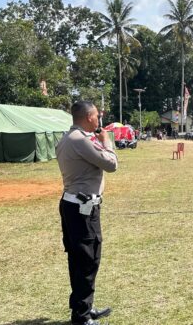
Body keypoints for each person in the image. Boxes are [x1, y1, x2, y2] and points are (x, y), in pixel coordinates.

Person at [56, 101, 118, 325]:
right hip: (83, 210)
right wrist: (107, 143)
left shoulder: (67, 138)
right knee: (87, 260)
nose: (99, 119)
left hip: (74, 206)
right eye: (97, 116)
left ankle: (84, 307)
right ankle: (81, 317)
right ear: (89, 117)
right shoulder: (80, 141)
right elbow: (111, 165)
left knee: (79, 259)